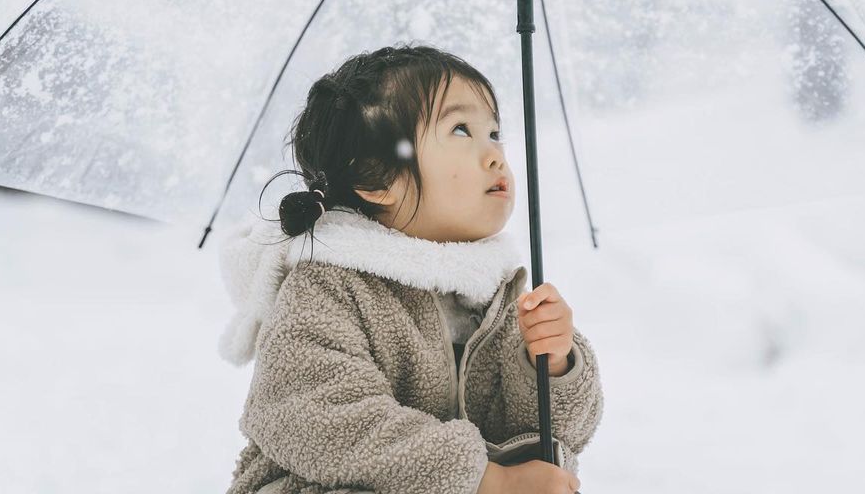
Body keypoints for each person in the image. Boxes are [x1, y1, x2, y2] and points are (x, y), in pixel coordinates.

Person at [216, 44, 604, 494]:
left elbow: (554, 434)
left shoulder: (497, 294)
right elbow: (318, 418)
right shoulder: (328, 285)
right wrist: (485, 480)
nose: (495, 154)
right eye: (461, 130)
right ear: (378, 178)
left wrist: (552, 362)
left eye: (494, 132)